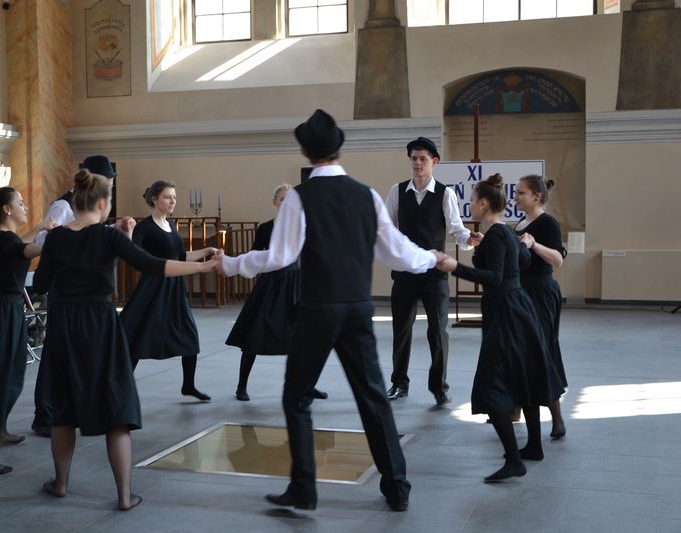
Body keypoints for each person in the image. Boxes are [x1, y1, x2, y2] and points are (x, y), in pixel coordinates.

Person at [216, 109, 443, 512]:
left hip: (317, 310)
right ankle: (397, 487)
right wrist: (430, 257)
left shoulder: (300, 197)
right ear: (339, 149)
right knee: (373, 398)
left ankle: (304, 488)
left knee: (296, 397)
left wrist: (231, 264)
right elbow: (395, 251)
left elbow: (280, 256)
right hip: (357, 310)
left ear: (306, 152)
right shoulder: (367, 195)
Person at [34, 169, 216, 511]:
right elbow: (154, 265)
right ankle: (123, 495)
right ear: (103, 203)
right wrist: (201, 268)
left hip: (64, 326)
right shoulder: (109, 237)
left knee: (64, 409)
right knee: (117, 409)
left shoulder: (57, 238)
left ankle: (60, 483)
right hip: (101, 324)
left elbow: (41, 284)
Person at [435, 174, 563, 482]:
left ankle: (515, 460)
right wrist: (497, 249)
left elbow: (493, 278)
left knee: (492, 387)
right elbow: (523, 263)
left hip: (505, 312)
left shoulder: (498, 235)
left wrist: (455, 267)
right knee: (524, 377)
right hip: (519, 308)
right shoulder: (505, 232)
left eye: (472, 200)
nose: (469, 205)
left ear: (483, 204)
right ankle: (533, 446)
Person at [31, 155, 131, 437]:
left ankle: (73, 409)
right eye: (108, 180)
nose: (111, 185)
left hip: (81, 291)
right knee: (56, 353)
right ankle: (45, 414)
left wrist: (112, 232)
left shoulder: (89, 208)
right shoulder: (63, 206)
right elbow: (44, 240)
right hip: (64, 289)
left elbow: (86, 234)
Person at [385, 137, 479, 404]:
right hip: (404, 273)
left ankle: (439, 387)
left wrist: (469, 240)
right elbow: (387, 228)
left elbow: (456, 229)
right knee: (401, 330)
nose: (417, 163)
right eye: (414, 158)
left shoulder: (445, 194)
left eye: (422, 159)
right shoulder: (397, 191)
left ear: (434, 162)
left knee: (438, 330)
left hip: (434, 273)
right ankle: (399, 383)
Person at [0, 187, 54, 476]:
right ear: (7, 209)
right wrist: (59, 240)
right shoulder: (5, 240)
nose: (25, 207)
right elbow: (24, 249)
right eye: (20, 203)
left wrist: (41, 227)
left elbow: (20, 244)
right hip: (1, 313)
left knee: (10, 374)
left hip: (4, 310)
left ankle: (0, 432)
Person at [225, 184, 326, 402]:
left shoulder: (302, 227)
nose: (287, 204)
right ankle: (241, 386)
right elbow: (254, 255)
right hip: (271, 284)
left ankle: (309, 385)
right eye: (282, 199)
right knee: (254, 334)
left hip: (296, 283)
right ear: (274, 202)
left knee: (305, 338)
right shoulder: (266, 228)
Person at [120, 180, 217, 401]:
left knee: (189, 335)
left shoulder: (171, 224)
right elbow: (133, 254)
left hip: (175, 287)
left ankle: (188, 386)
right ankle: (122, 386)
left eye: (174, 197)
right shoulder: (144, 227)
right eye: (167, 197)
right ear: (155, 199)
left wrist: (206, 251)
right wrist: (128, 232)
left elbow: (180, 257)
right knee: (138, 336)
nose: (172, 201)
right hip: (153, 287)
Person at [515, 175, 567, 439]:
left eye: (520, 193)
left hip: (541, 293)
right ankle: (516, 409)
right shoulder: (520, 223)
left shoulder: (548, 223)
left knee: (543, 351)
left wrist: (534, 245)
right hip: (523, 293)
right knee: (520, 351)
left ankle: (557, 417)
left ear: (536, 196)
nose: (515, 197)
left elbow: (557, 259)